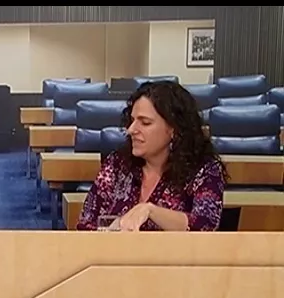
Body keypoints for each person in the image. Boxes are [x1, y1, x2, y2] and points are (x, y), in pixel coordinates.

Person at [76, 80, 229, 232]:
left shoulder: (204, 170)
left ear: (174, 129)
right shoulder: (117, 163)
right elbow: (85, 224)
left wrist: (150, 211)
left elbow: (205, 224)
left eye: (145, 123)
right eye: (132, 121)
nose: (131, 130)